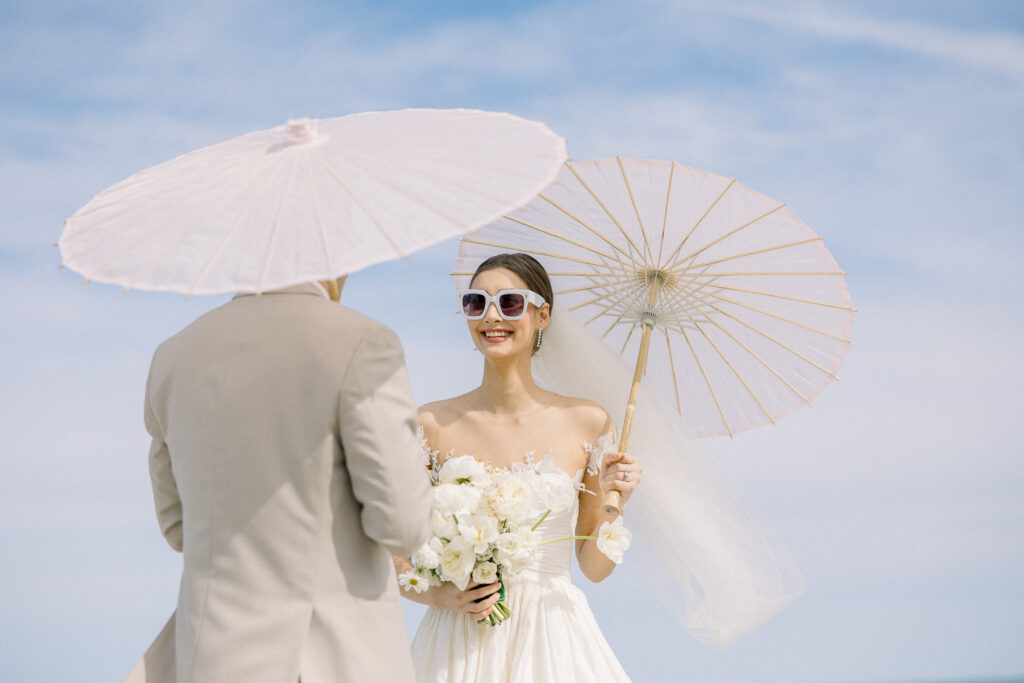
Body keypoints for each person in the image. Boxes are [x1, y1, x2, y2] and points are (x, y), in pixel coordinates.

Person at [126, 277, 434, 683]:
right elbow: (405, 527)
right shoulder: (362, 342)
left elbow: (176, 526)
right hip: (330, 657)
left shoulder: (172, 356)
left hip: (212, 657)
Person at [396, 253, 641, 682]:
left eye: (510, 302)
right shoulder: (429, 425)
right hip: (457, 645)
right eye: (476, 302)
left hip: (553, 641)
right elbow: (393, 553)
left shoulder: (588, 422)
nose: (492, 316)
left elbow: (595, 567)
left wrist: (615, 502)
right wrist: (443, 597)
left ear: (541, 314)